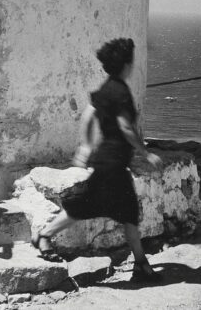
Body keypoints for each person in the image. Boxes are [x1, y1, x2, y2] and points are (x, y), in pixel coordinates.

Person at [31, 38, 164, 283]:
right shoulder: (121, 91)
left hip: (110, 161)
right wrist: (146, 153)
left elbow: (90, 113)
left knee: (128, 212)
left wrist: (85, 145)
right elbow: (125, 127)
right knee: (87, 206)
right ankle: (45, 235)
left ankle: (141, 264)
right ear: (127, 63)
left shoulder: (107, 89)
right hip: (112, 163)